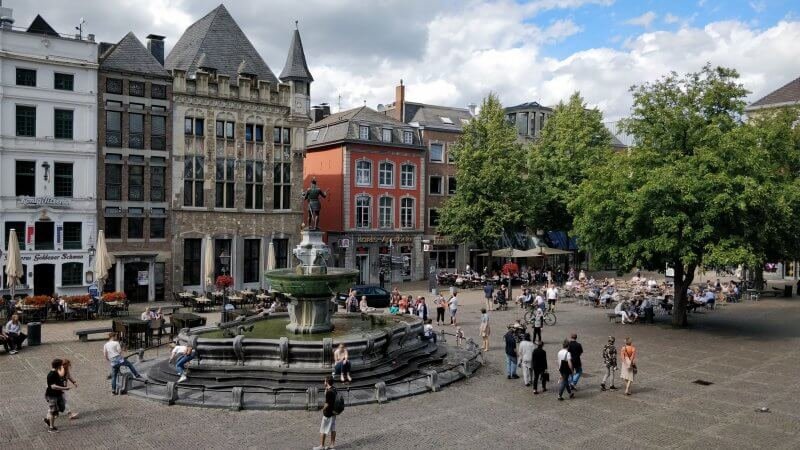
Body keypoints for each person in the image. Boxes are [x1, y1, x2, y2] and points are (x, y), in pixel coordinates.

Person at [45, 358, 69, 433]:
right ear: (58, 366)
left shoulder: (55, 373)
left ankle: (48, 420)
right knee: (53, 411)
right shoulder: (51, 374)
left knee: (60, 408)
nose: (62, 366)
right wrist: (64, 388)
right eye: (61, 365)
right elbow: (53, 386)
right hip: (52, 396)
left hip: (58, 394)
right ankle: (51, 428)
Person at [315, 376, 338, 450]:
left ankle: (321, 446)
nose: (324, 382)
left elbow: (327, 403)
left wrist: (322, 409)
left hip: (328, 413)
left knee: (323, 429)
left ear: (327, 382)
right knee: (333, 429)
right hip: (334, 412)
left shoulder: (329, 392)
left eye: (325, 381)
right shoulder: (334, 389)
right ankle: (332, 445)